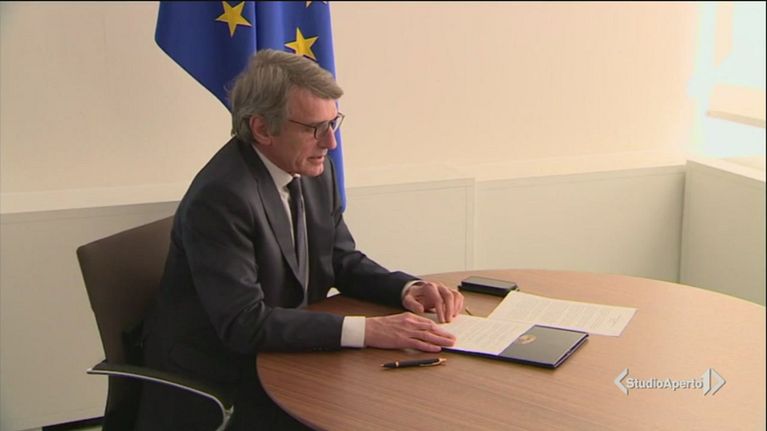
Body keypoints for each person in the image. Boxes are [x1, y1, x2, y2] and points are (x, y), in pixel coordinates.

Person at [136, 49, 464, 430]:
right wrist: (369, 330)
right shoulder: (222, 197)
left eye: (333, 123)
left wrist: (406, 289)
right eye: (314, 128)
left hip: (287, 355)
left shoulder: (311, 168)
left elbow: (340, 259)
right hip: (223, 377)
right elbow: (245, 324)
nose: (331, 142)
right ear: (262, 129)